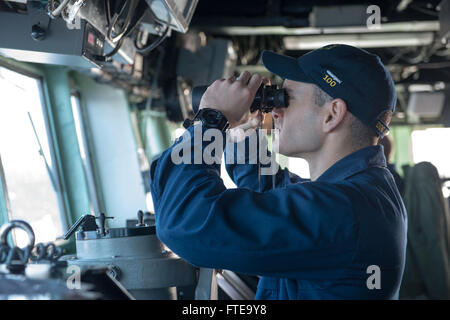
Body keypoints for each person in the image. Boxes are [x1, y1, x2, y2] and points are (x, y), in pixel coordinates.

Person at [150, 44, 407, 299]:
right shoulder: (362, 192)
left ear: (332, 115)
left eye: (286, 99)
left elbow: (187, 220)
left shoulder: (345, 210)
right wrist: (240, 129)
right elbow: (268, 189)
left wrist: (211, 120)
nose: (274, 110)